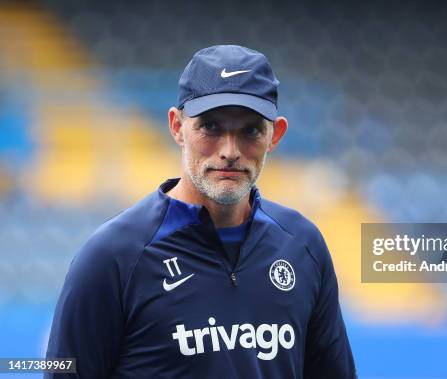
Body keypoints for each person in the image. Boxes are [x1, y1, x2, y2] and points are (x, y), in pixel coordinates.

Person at [44, 45, 356, 378]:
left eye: (250, 130)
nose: (230, 151)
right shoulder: (114, 256)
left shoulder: (303, 245)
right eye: (210, 127)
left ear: (274, 135)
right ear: (177, 127)